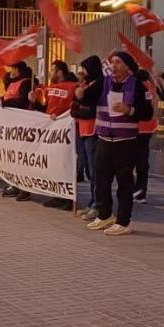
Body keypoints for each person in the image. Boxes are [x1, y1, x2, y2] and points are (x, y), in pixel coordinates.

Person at [86, 52, 153, 236]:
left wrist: (130, 109)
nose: (114, 65)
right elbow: (87, 99)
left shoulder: (137, 85)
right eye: (112, 62)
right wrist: (79, 94)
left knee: (124, 183)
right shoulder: (103, 82)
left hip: (126, 141)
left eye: (118, 62)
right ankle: (105, 215)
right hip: (104, 139)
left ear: (127, 66)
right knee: (101, 181)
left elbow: (147, 113)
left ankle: (123, 221)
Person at [32, 61, 78, 210]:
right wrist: (34, 102)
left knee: (64, 163)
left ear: (59, 72)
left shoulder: (73, 87)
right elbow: (46, 109)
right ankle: (56, 196)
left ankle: (67, 198)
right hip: (52, 131)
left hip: (65, 131)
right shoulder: (49, 88)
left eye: (52, 70)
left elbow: (75, 106)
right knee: (53, 163)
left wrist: (61, 116)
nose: (50, 73)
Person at [73, 56, 103, 221]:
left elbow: (91, 110)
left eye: (84, 69)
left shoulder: (98, 85)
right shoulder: (85, 85)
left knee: (95, 171)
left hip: (94, 131)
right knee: (89, 171)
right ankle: (92, 201)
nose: (81, 72)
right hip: (83, 132)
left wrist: (79, 109)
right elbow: (74, 107)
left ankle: (98, 205)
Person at [0, 61, 34, 201]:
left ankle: (24, 188)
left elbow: (22, 102)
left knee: (22, 159)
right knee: (13, 159)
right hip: (11, 127)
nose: (9, 71)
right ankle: (14, 184)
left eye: (12, 68)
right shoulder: (12, 83)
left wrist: (6, 103)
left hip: (22, 126)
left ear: (18, 69)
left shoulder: (26, 83)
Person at [133, 70, 158, 205]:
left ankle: (134, 190)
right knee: (142, 161)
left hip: (136, 128)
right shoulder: (151, 88)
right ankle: (142, 193)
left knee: (131, 161)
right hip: (148, 128)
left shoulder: (137, 88)